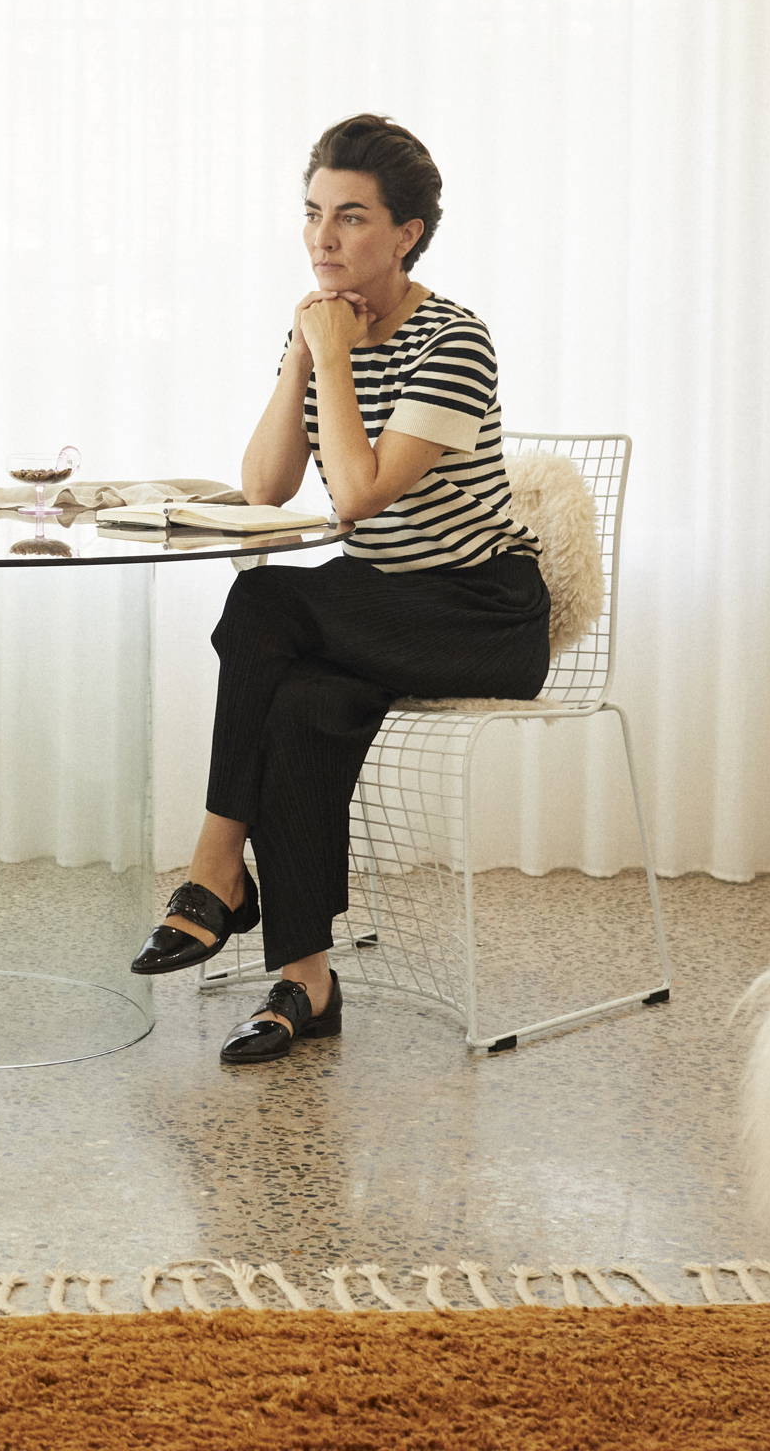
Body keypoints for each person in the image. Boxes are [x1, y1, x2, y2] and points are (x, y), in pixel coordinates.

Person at [130, 115, 550, 1065]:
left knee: (266, 601)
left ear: (406, 234)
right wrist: (300, 354)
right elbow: (267, 488)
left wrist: (329, 357)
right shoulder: (324, 329)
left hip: (481, 613)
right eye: (313, 214)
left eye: (352, 218)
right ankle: (305, 983)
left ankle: (214, 871)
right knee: (306, 703)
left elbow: (354, 497)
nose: (323, 239)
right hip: (381, 606)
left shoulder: (455, 339)